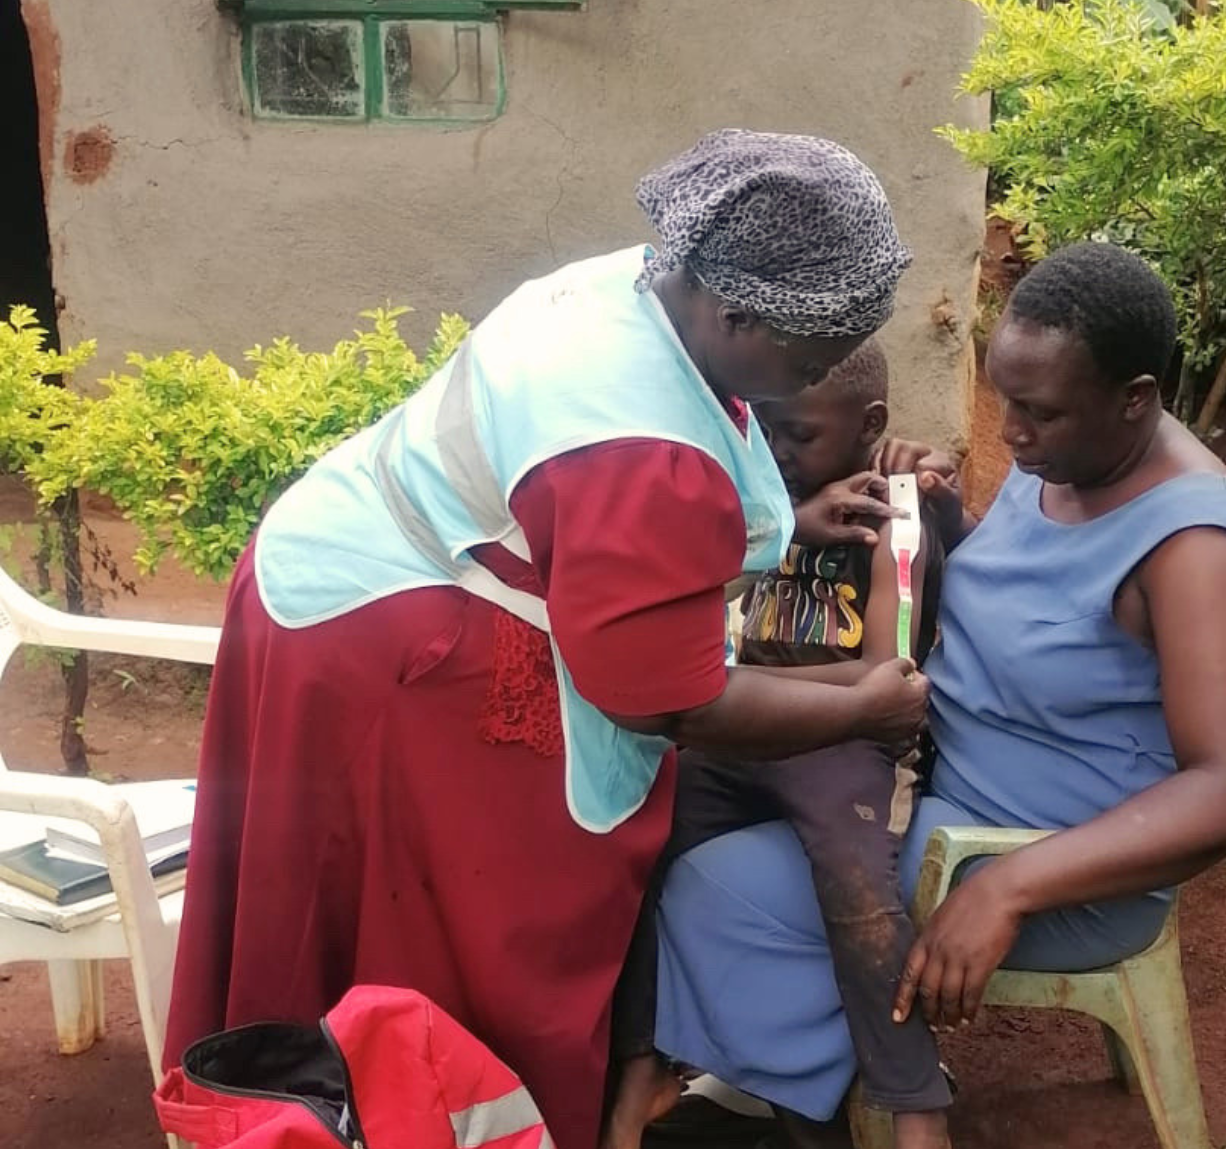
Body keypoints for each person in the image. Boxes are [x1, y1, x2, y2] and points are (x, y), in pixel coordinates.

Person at [162, 130, 931, 1149]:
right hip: (391, 650)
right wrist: (864, 706)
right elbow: (669, 701)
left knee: (357, 915)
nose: (819, 374)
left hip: (349, 574)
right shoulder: (641, 456)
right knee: (459, 944)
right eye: (812, 354)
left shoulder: (633, 286)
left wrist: (788, 526)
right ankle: (396, 1115)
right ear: (733, 309)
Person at [650, 242, 1226, 1149]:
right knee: (706, 797)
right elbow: (1042, 598)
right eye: (1003, 401)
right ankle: (817, 1057)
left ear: (1135, 398)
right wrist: (946, 520)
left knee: (717, 888)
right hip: (945, 794)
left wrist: (1012, 886)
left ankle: (846, 1095)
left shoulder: (1192, 546)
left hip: (1051, 857)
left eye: (1037, 412)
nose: (1012, 434)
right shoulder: (1072, 459)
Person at [604, 341, 950, 1149]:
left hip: (847, 746)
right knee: (635, 843)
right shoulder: (758, 494)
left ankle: (913, 1102)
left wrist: (745, 693)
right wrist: (784, 524)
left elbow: (885, 678)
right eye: (765, 429)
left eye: (799, 435)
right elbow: (686, 596)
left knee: (859, 895)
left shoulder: (895, 508)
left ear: (869, 426)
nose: (779, 451)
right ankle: (640, 1069)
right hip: (745, 733)